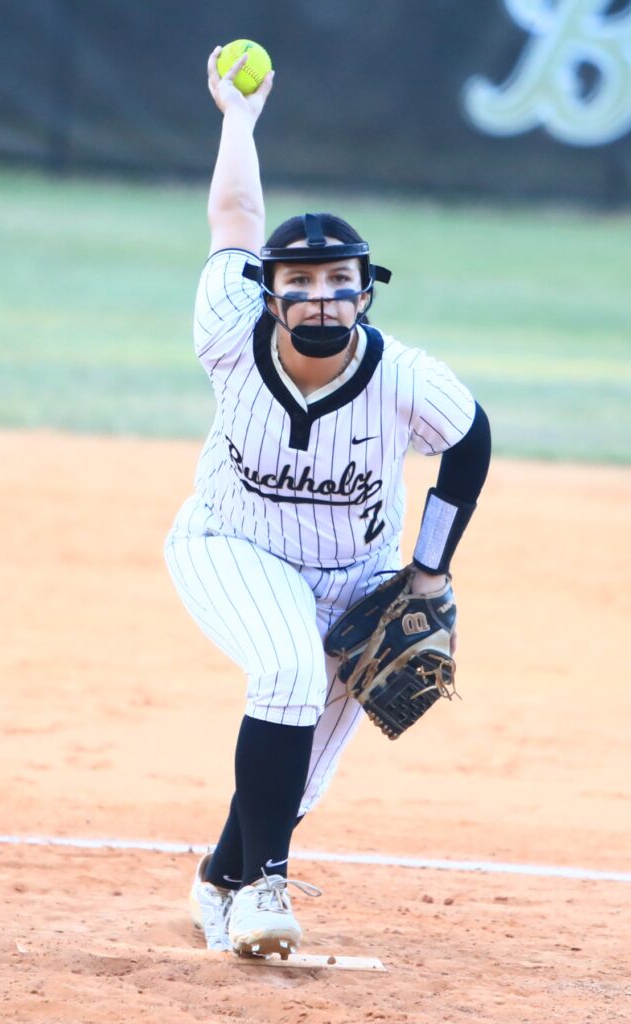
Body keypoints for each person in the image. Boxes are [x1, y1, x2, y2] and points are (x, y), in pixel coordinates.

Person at [164, 47, 491, 959]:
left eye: (337, 279)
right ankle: (268, 891)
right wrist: (238, 117)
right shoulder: (229, 331)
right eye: (296, 282)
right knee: (288, 676)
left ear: (364, 289)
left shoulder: (406, 379)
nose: (317, 296)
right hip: (231, 544)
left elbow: (468, 444)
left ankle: (221, 882)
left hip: (356, 577)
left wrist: (427, 569)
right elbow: (235, 214)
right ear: (266, 295)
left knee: (297, 776)